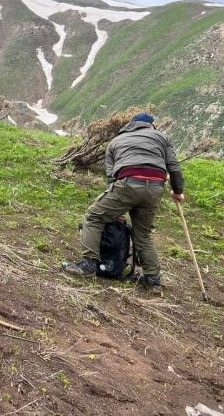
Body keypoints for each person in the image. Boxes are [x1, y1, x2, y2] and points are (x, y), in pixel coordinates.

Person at [61, 113, 184, 286]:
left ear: (131, 125)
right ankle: (152, 278)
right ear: (151, 126)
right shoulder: (161, 137)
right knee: (143, 233)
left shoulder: (116, 142)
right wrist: (178, 191)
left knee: (93, 217)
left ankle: (89, 265)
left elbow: (112, 177)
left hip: (127, 184)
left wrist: (115, 210)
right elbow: (174, 166)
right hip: (156, 188)